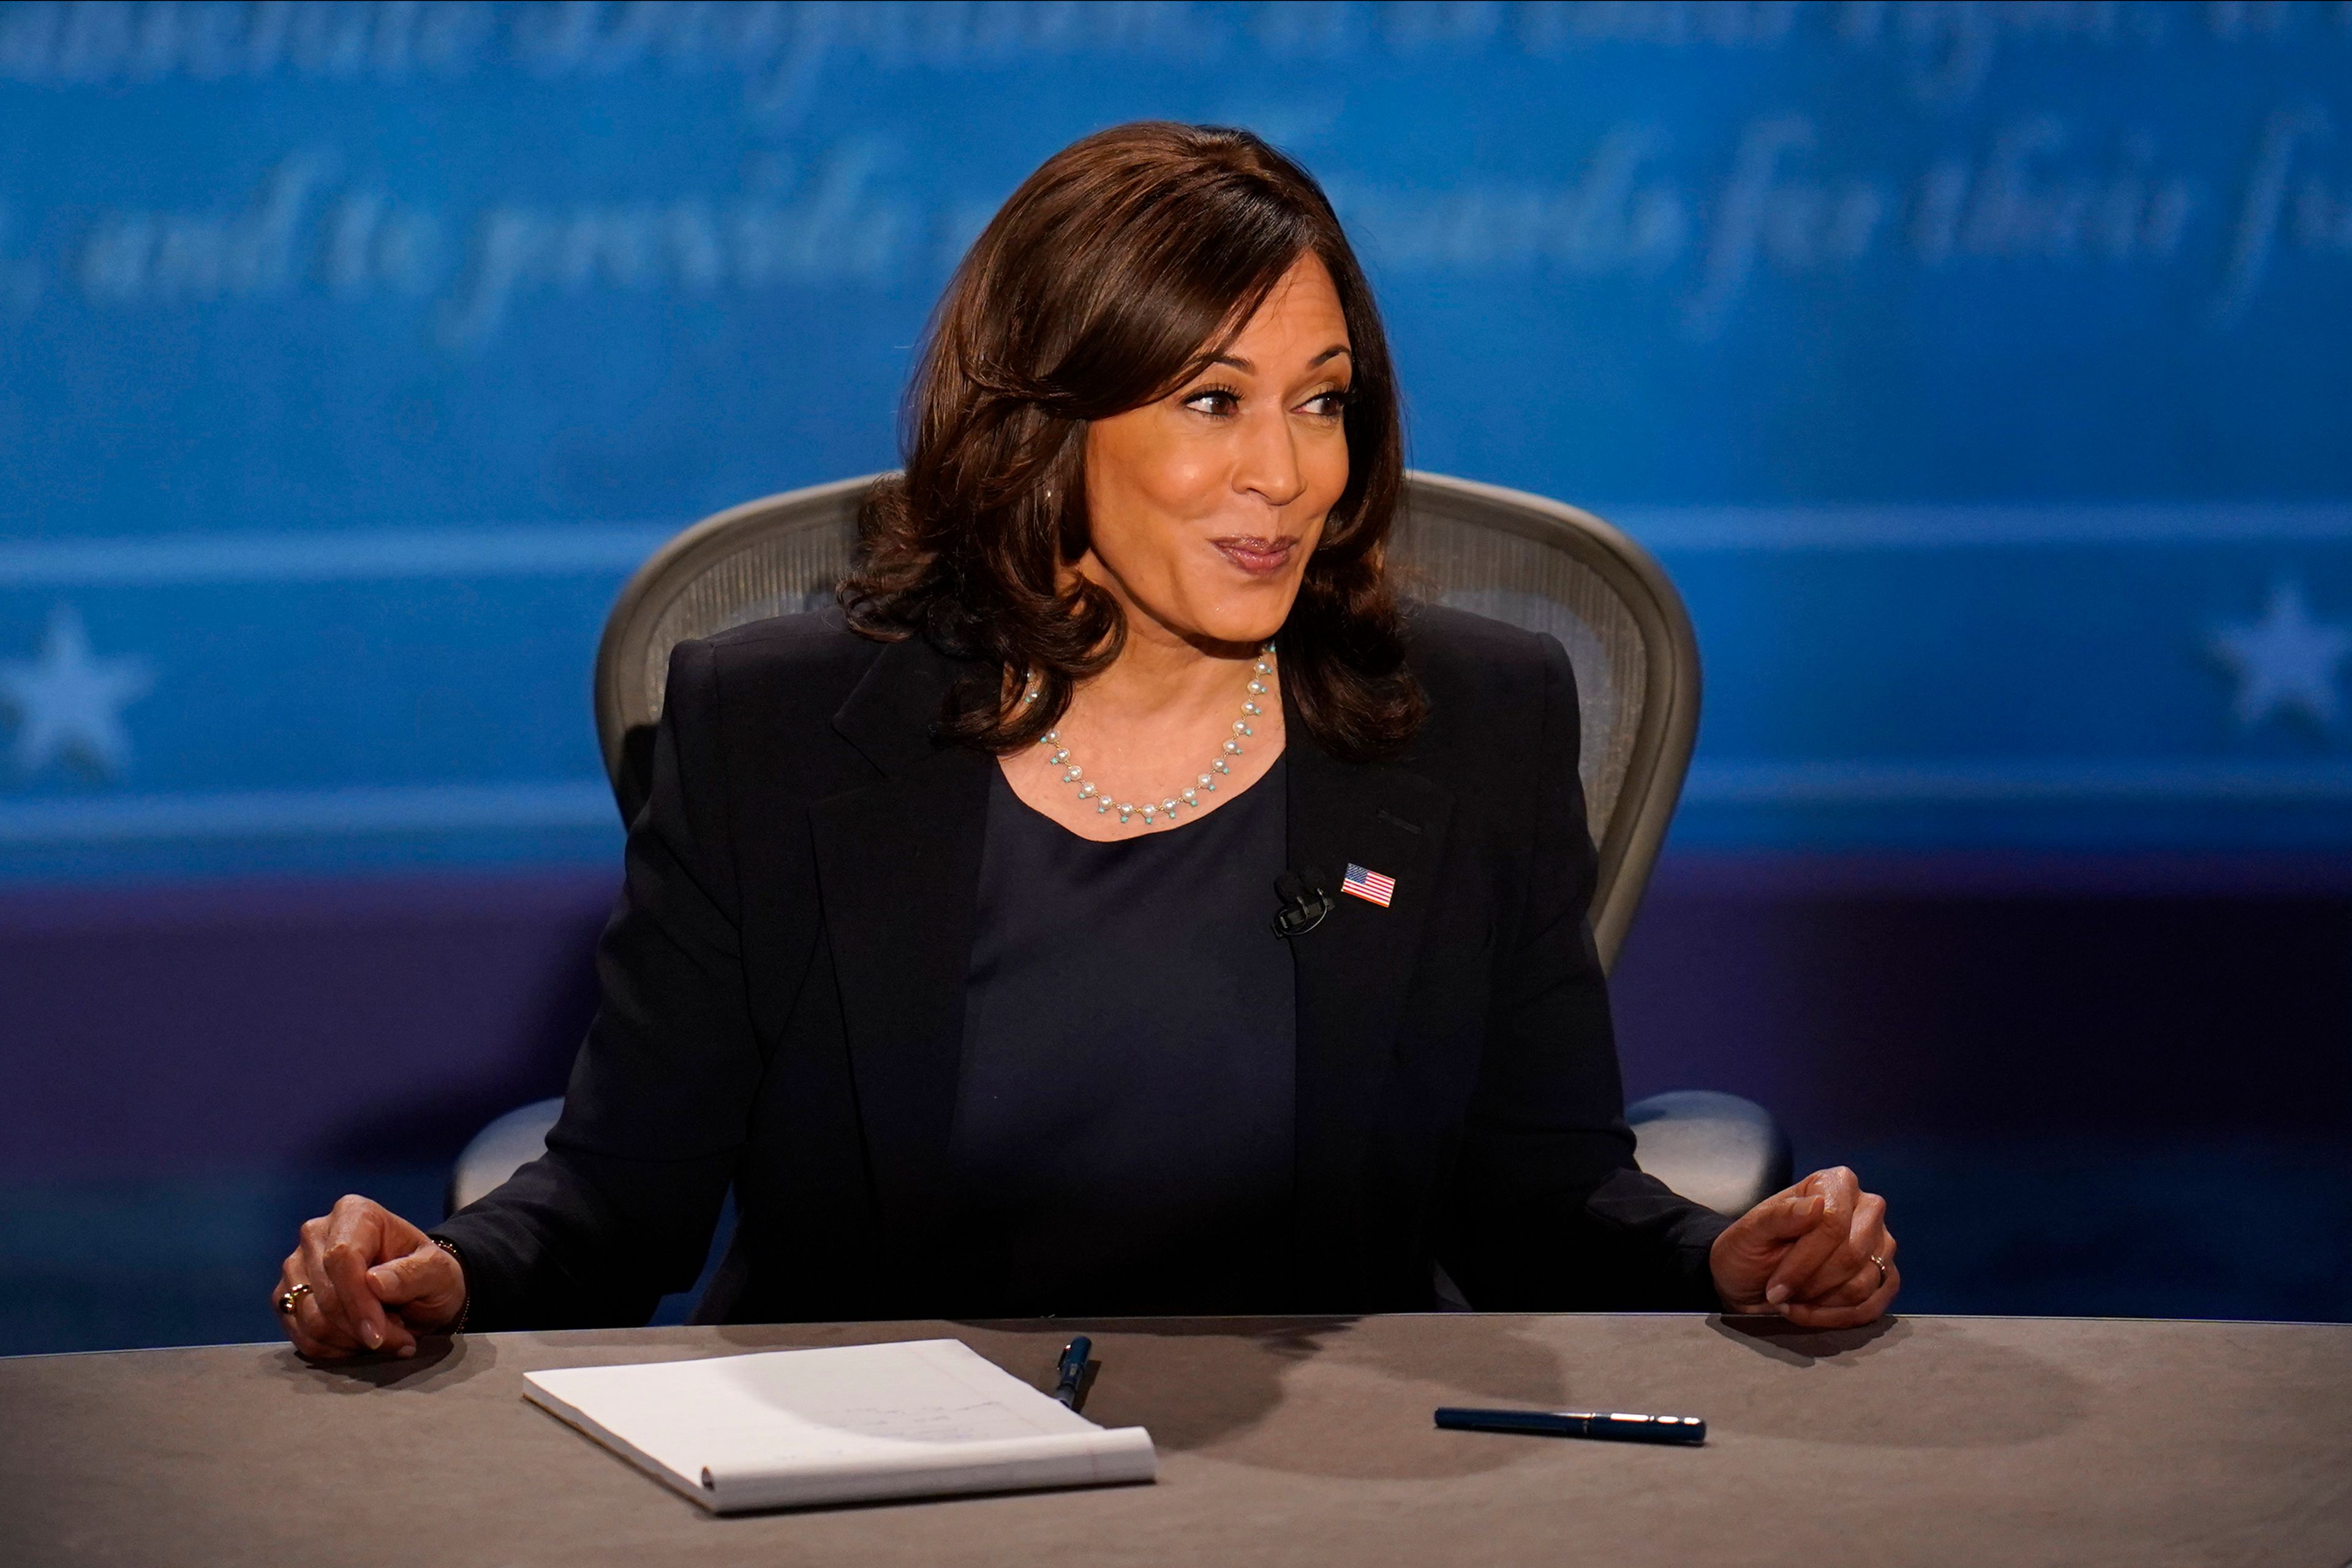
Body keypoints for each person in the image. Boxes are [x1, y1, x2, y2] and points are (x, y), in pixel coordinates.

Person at [272, 122, 1898, 1362]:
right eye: (1212, 401)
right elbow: (621, 1199)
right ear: (1045, 424)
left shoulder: (1476, 721)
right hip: (872, 1483)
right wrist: (447, 1268)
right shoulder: (772, 731)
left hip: (1330, 1491)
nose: (1290, 471)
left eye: (1322, 400)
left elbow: (1543, 1198)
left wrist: (1719, 1261)